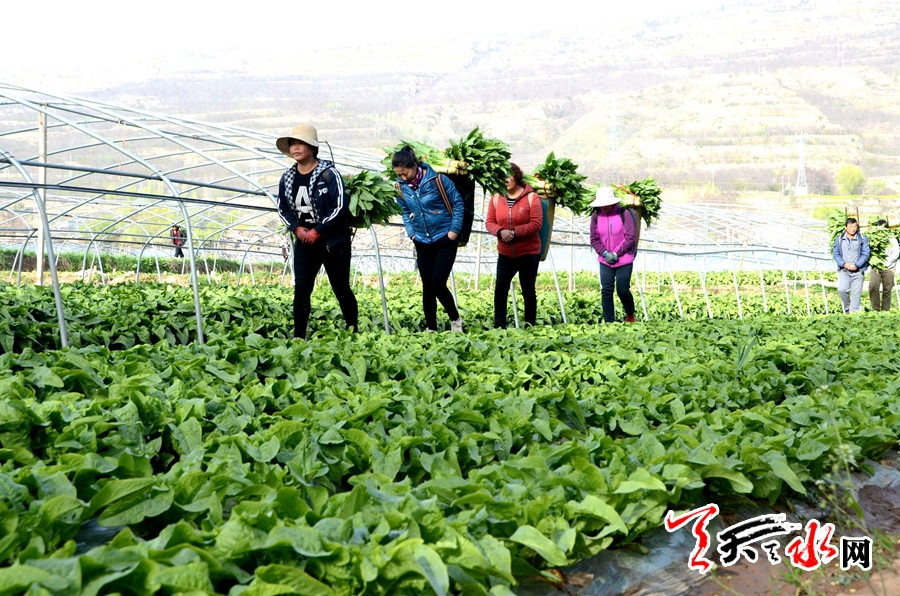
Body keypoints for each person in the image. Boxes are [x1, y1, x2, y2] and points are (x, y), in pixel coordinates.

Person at [276, 123, 358, 340]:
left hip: (333, 242)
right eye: (293, 143)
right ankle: (299, 336)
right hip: (305, 241)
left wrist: (318, 230)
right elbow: (282, 208)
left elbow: (340, 206)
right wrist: (297, 228)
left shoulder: (329, 174)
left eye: (301, 143)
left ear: (313, 147)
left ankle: (353, 331)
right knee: (302, 288)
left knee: (341, 287)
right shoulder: (287, 178)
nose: (296, 147)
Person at [393, 146, 465, 332]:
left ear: (415, 165)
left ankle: (456, 320)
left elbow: (458, 203)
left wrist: (453, 231)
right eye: (399, 175)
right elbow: (404, 212)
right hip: (422, 241)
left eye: (405, 173)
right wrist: (412, 234)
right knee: (427, 287)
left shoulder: (438, 180)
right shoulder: (401, 187)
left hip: (444, 239)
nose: (403, 178)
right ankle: (431, 328)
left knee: (437, 284)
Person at [485, 163, 543, 328]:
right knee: (501, 288)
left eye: (509, 175)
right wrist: (500, 231)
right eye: (502, 176)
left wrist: (515, 232)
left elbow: (536, 223)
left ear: (516, 177)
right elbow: (489, 222)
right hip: (505, 253)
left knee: (528, 289)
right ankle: (499, 325)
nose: (506, 180)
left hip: (528, 253)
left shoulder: (531, 197)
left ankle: (530, 325)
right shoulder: (496, 198)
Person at [589, 186, 637, 323]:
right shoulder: (596, 217)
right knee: (606, 290)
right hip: (605, 260)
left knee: (622, 290)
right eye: (602, 204)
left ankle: (630, 314)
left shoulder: (624, 214)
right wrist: (604, 253)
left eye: (606, 204)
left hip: (624, 259)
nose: (604, 207)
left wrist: (616, 253)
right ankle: (609, 322)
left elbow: (630, 237)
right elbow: (594, 239)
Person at [832, 217, 870, 314]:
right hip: (844, 271)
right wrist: (843, 264)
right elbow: (836, 254)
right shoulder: (839, 239)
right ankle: (848, 309)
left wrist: (857, 265)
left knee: (856, 294)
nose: (853, 229)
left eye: (854, 226)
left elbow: (866, 253)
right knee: (842, 290)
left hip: (858, 271)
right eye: (850, 227)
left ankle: (854, 315)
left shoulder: (862, 239)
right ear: (846, 227)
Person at [868, 219, 898, 312]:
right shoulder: (873, 238)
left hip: (889, 266)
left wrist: (886, 263)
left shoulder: (892, 239)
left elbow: (896, 253)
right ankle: (875, 308)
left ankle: (885, 310)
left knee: (887, 288)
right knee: (873, 285)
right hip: (876, 266)